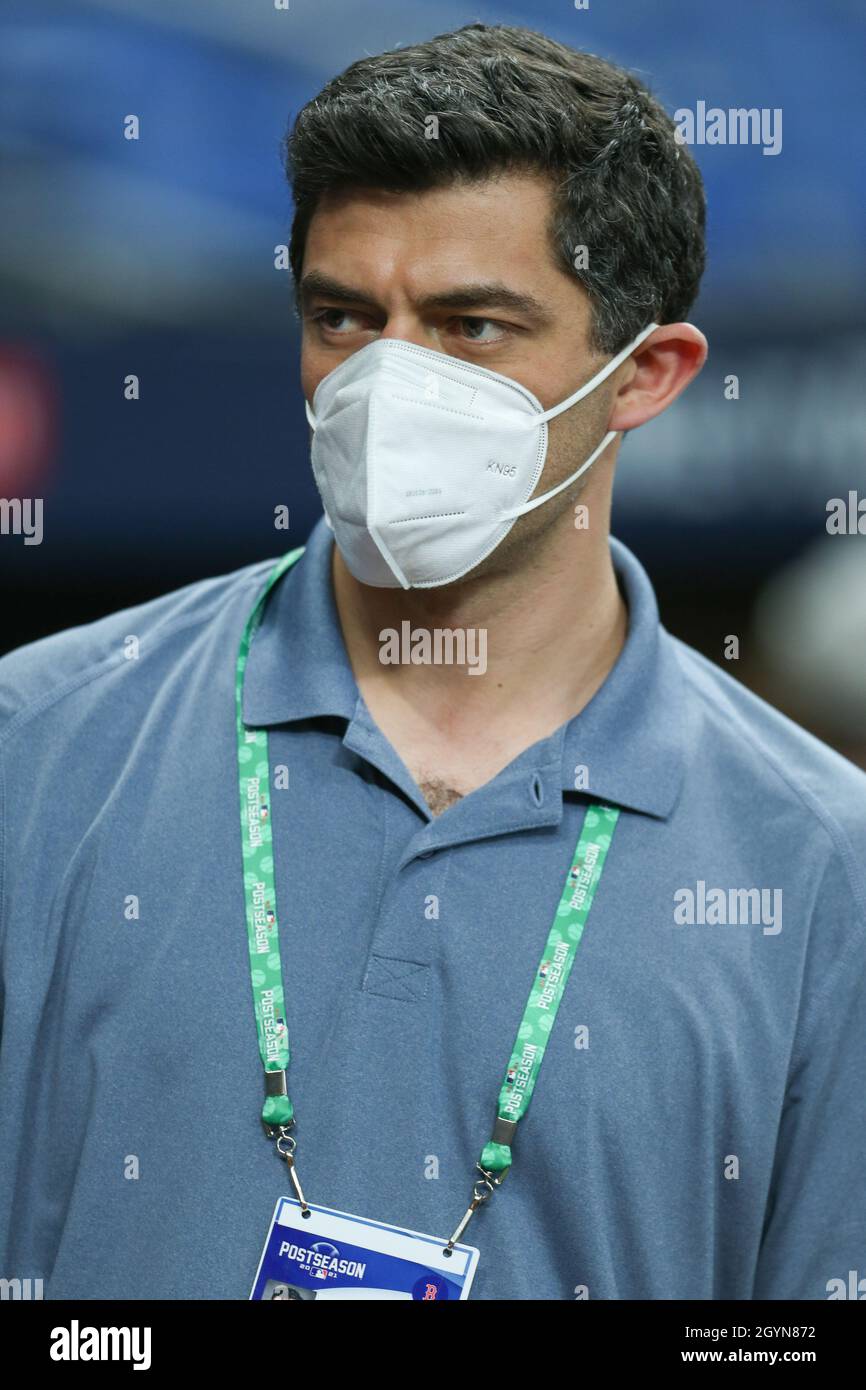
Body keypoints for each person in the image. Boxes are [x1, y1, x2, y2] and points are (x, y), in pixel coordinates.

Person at [1, 23, 864, 1302]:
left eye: (470, 326)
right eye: (342, 316)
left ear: (646, 376)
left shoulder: (822, 863)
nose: (385, 383)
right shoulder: (38, 743)